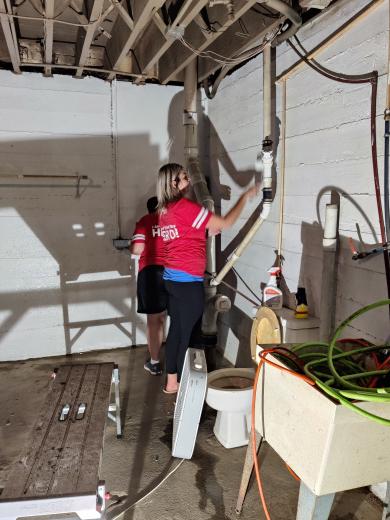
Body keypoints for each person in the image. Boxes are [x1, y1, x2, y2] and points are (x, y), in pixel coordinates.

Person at [157, 163, 258, 393]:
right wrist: (244, 197)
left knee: (175, 332)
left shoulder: (164, 211)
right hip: (187, 283)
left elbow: (180, 237)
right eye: (184, 177)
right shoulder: (186, 207)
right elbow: (225, 223)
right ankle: (186, 389)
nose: (189, 181)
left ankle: (172, 383)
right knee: (190, 337)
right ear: (174, 183)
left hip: (171, 280)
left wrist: (202, 231)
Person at [131, 196, 167, 376]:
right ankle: (182, 360)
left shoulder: (145, 221)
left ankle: (154, 363)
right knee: (169, 317)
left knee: (154, 321)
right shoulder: (171, 221)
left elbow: (137, 249)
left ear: (149, 209)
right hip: (173, 271)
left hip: (151, 272)